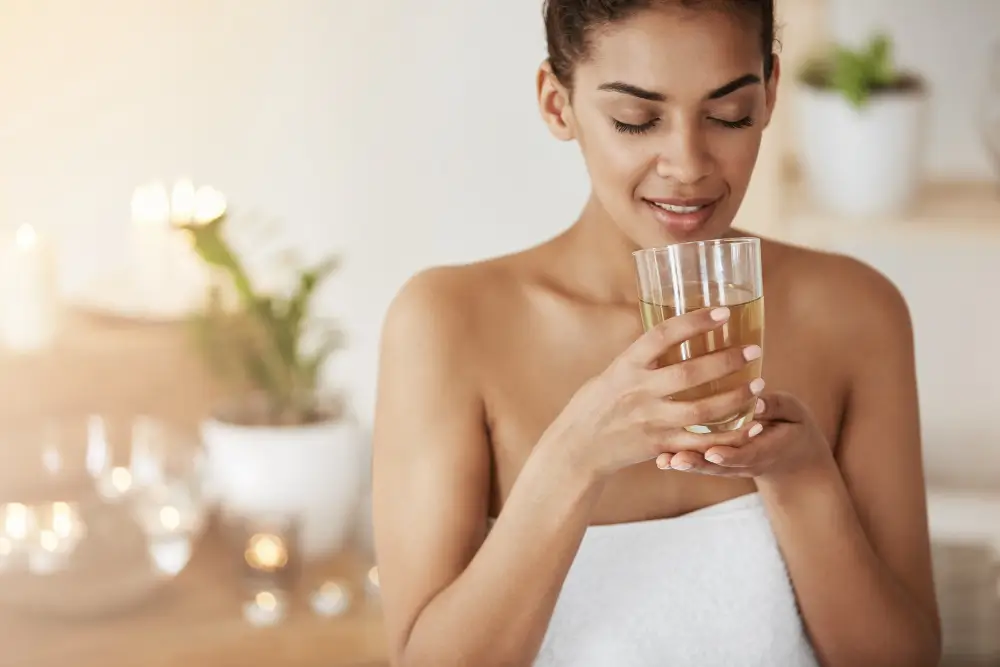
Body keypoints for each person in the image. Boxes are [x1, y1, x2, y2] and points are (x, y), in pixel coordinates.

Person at [371, 1, 942, 665]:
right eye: (636, 120)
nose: (688, 164)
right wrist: (573, 458)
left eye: (729, 115)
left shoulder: (855, 312)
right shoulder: (446, 325)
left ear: (769, 94)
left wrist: (801, 478)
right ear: (558, 105)